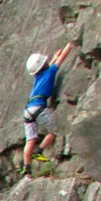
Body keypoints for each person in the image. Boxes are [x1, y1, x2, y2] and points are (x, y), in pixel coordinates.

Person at [22, 42, 73, 175]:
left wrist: (54, 58)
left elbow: (45, 67)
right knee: (55, 130)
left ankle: (26, 167)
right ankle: (39, 151)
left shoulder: (37, 76)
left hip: (28, 110)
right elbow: (63, 57)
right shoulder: (50, 72)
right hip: (39, 107)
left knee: (30, 139)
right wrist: (70, 44)